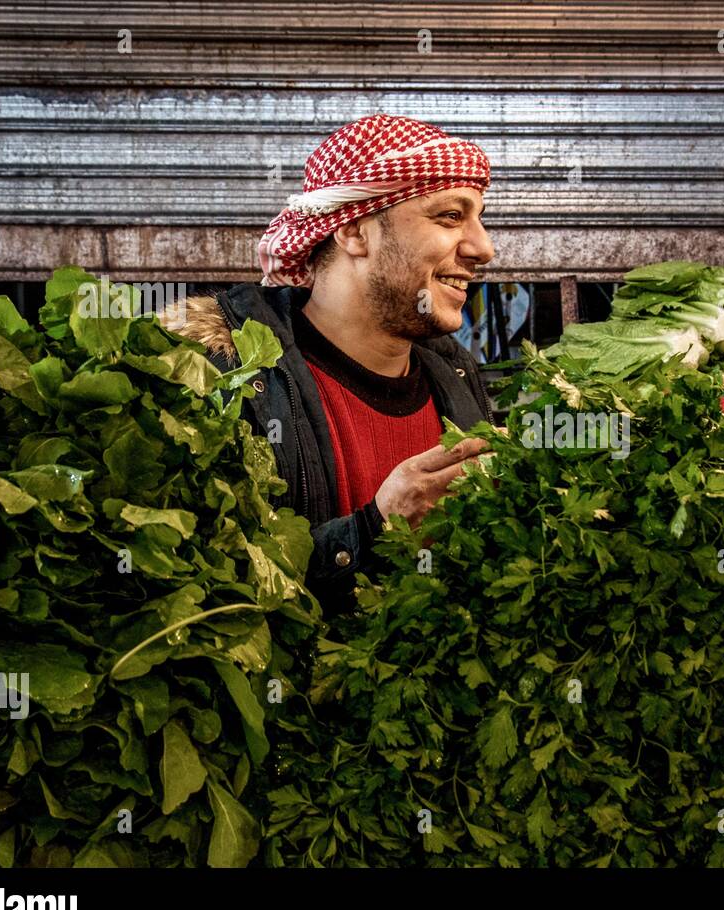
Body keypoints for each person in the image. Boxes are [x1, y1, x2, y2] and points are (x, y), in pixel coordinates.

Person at [159, 115, 495, 609]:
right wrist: (373, 531)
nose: (483, 248)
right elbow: (200, 598)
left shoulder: (457, 376)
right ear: (356, 231)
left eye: (479, 219)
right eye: (449, 216)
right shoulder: (222, 378)